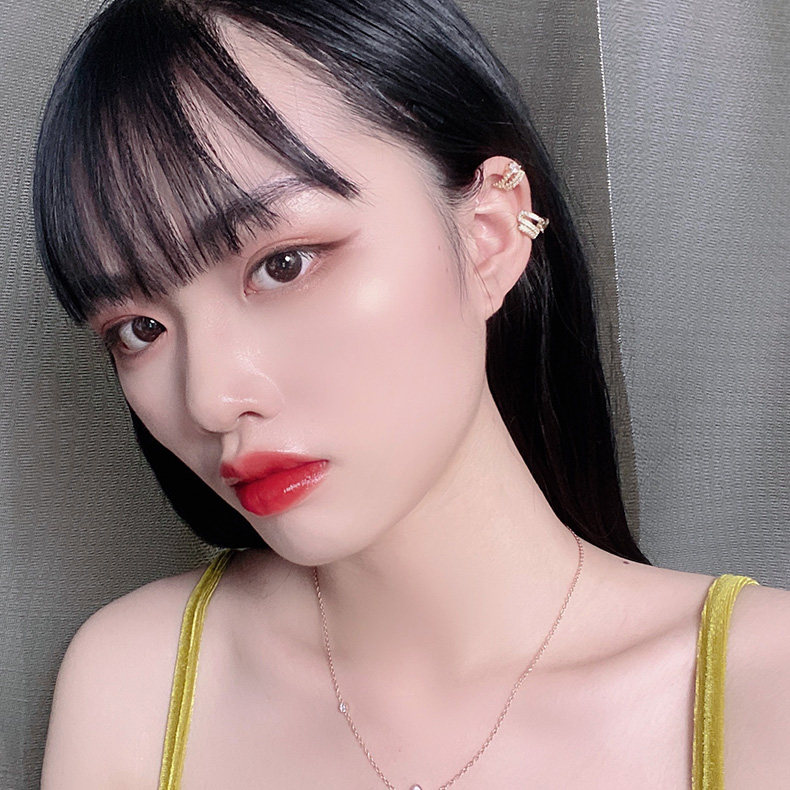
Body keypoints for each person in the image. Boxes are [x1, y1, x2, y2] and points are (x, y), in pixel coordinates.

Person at [33, 0, 790, 787]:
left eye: (284, 264)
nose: (211, 399)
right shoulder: (138, 684)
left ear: (489, 233)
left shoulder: (765, 693)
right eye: (140, 329)